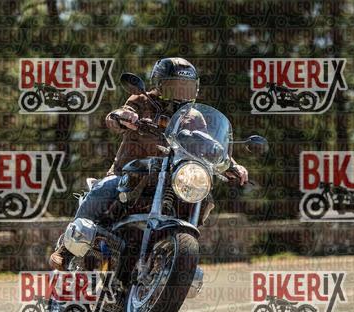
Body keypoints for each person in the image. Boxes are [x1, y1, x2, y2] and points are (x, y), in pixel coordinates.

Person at [49, 57, 248, 269]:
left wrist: (231, 164)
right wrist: (122, 117)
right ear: (159, 84)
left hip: (171, 177)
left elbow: (208, 144)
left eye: (186, 87)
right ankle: (66, 249)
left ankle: (176, 247)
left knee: (202, 196)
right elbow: (116, 116)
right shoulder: (142, 100)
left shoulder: (194, 117)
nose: (180, 92)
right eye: (174, 86)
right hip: (131, 172)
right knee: (105, 188)